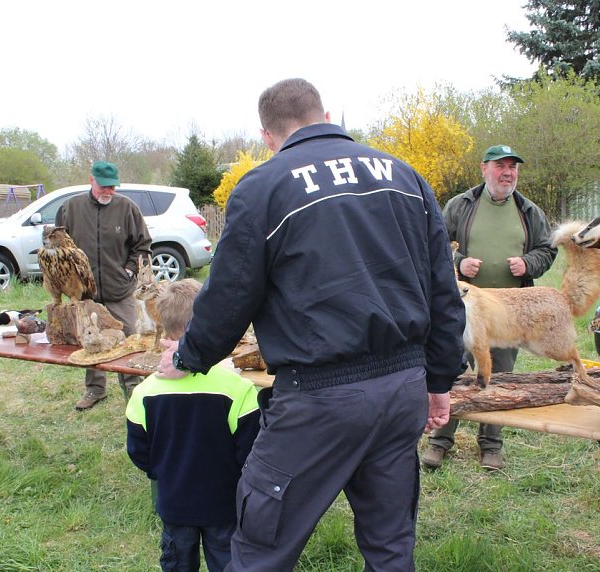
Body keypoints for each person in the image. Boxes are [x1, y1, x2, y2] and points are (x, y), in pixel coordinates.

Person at [156, 78, 466, 571]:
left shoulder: (263, 187)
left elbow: (230, 295)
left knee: (260, 549)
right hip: (402, 388)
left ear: (267, 136)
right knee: (390, 546)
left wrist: (188, 355)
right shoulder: (404, 176)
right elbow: (443, 291)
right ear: (325, 116)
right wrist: (440, 380)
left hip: (320, 400)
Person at [422, 145, 556, 472]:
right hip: (462, 308)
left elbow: (547, 250)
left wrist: (528, 264)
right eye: (500, 166)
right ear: (484, 169)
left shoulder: (528, 210)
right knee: (452, 370)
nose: (507, 172)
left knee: (499, 376)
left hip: (507, 313)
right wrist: (459, 262)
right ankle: (440, 440)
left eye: (513, 167)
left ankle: (491, 445)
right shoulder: (460, 205)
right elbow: (433, 244)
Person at [126, 278, 260, 572]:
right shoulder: (238, 388)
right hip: (223, 503)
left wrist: (163, 472)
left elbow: (139, 451)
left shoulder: (144, 393)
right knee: (227, 563)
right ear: (208, 325)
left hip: (174, 501)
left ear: (163, 324)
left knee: (177, 564)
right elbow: (250, 451)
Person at [56, 161, 152, 410]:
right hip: (85, 292)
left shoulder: (127, 208)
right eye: (104, 186)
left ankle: (133, 387)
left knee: (129, 337)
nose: (109, 191)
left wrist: (128, 271)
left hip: (119, 289)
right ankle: (95, 389)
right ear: (91, 180)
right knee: (90, 339)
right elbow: (59, 247)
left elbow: (142, 246)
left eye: (113, 186)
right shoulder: (70, 208)